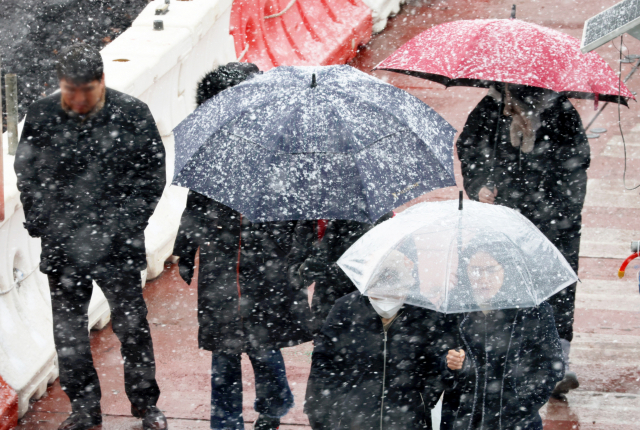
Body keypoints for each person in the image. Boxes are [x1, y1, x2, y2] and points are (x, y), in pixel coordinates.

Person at [14, 43, 167, 430]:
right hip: (63, 245)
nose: (79, 100)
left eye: (87, 91)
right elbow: (28, 176)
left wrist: (123, 226)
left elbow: (151, 178)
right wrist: (43, 221)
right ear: (60, 84)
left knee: (132, 326)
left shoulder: (132, 114)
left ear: (102, 81)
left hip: (117, 244)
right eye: (71, 91)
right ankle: (83, 407)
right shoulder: (43, 115)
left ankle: (146, 405)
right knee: (68, 332)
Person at [173, 62, 312, 430]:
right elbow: (196, 203)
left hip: (268, 261)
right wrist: (185, 248)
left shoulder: (284, 144)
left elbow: (301, 212)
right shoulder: (213, 146)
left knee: (263, 345)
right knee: (224, 351)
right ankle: (226, 420)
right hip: (221, 262)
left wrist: (296, 256)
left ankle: (273, 403)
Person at [456, 83, 589, 397]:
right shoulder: (491, 108)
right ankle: (503, 359)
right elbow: (470, 149)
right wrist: (481, 184)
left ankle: (555, 364)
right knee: (501, 285)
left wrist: (554, 207)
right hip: (502, 219)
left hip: (553, 224)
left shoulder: (561, 112)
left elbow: (575, 166)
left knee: (553, 292)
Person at [305, 248, 454, 430]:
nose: (386, 298)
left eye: (394, 291)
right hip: (352, 421)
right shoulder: (345, 309)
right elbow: (323, 363)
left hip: (408, 422)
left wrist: (422, 400)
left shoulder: (424, 313)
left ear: (407, 286)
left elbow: (438, 364)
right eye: (379, 291)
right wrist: (324, 414)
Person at [440, 241, 564, 430]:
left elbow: (551, 366)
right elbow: (434, 361)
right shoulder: (455, 309)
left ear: (506, 270)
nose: (482, 279)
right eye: (475, 270)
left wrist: (522, 405)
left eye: (491, 270)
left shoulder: (533, 311)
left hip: (514, 422)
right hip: (463, 420)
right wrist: (449, 365)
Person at [292, 215, 392, 333]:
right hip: (325, 302)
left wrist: (325, 270)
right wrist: (302, 272)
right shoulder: (307, 220)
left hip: (358, 304)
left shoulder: (361, 216)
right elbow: (294, 260)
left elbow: (362, 266)